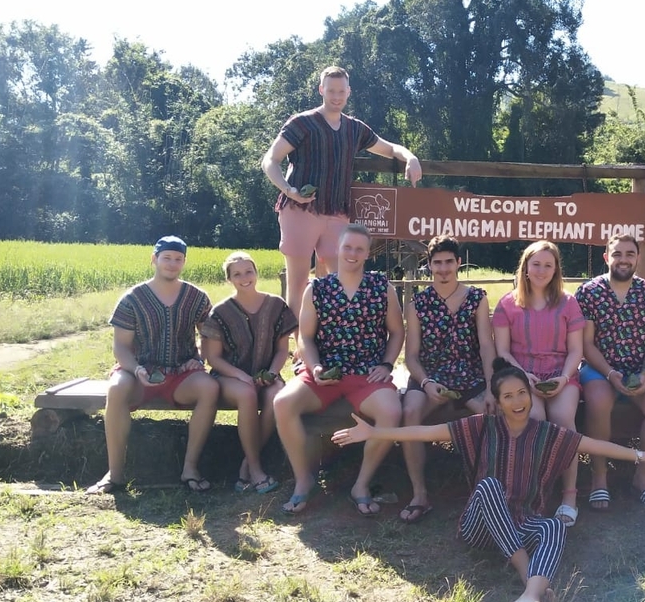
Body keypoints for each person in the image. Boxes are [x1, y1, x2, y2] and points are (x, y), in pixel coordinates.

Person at [331, 358, 645, 602]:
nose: (517, 401)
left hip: (523, 523)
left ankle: (529, 598)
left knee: (554, 525)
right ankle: (527, 574)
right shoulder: (481, 426)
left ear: (530, 395)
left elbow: (593, 444)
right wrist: (375, 433)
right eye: (508, 396)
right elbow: (425, 432)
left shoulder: (547, 433)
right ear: (498, 402)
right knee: (488, 486)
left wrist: (644, 455)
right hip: (479, 528)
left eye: (522, 394)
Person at [261, 65, 423, 319]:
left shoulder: (354, 128)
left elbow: (390, 148)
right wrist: (289, 190)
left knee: (339, 283)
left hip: (337, 212)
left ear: (349, 92)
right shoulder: (302, 123)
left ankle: (329, 338)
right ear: (321, 90)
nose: (336, 96)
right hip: (299, 209)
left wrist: (410, 157)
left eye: (341, 91)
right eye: (331, 91)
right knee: (298, 285)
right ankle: (299, 342)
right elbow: (270, 160)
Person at [273, 223, 405, 515]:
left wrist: (386, 363)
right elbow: (305, 337)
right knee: (282, 403)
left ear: (368, 253)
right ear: (337, 249)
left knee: (391, 412)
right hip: (325, 372)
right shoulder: (317, 288)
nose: (352, 253)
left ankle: (361, 485)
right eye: (347, 247)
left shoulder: (382, 287)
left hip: (367, 372)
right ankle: (304, 480)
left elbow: (397, 332)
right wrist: (315, 366)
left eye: (359, 249)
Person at [86, 236, 220, 495]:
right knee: (116, 388)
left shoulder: (197, 297)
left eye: (178, 259)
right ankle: (114, 473)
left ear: (184, 262)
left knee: (209, 388)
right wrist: (136, 368)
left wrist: (198, 359)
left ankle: (190, 468)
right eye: (166, 257)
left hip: (181, 374)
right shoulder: (132, 298)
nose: (172, 263)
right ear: (154, 259)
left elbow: (209, 336)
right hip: (139, 372)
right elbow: (121, 347)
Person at [399, 234, 497, 523]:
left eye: (449, 262)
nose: (443, 269)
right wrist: (426, 382)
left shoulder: (476, 298)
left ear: (458, 263)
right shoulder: (417, 303)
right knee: (410, 412)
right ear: (429, 265)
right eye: (437, 263)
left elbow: (486, 346)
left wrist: (491, 387)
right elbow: (411, 355)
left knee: (494, 416)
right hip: (430, 375)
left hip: (470, 375)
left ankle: (490, 492)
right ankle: (419, 494)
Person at [574, 232, 645, 511]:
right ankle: (599, 476)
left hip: (641, 368)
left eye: (630, 254)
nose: (623, 259)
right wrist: (609, 373)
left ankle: (643, 475)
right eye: (617, 254)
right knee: (598, 402)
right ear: (607, 257)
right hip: (599, 367)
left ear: (638, 258)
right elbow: (586, 344)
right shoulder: (589, 292)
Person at [493, 241, 585, 526]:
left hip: (561, 374)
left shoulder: (569, 303)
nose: (542, 270)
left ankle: (569, 495)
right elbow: (503, 351)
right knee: (531, 420)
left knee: (563, 420)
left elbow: (576, 350)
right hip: (522, 375)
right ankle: (530, 496)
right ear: (526, 267)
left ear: (556, 269)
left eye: (548, 265)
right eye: (536, 264)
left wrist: (564, 378)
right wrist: (523, 376)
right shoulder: (507, 304)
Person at [200, 251, 296, 494]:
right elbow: (213, 358)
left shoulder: (276, 305)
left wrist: (272, 373)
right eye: (237, 274)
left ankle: (245, 464)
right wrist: (241, 376)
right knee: (247, 393)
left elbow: (282, 350)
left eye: (248, 272)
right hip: (230, 376)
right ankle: (256, 469)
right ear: (229, 279)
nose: (244, 278)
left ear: (256, 273)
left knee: (277, 395)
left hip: (266, 374)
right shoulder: (220, 312)